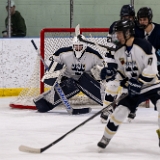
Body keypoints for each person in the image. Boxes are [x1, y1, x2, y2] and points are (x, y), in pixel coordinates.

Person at [97, 19, 160, 149]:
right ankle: (106, 138)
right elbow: (122, 72)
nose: (117, 36)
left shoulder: (144, 46)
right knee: (118, 113)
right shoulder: (120, 51)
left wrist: (140, 81)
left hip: (152, 85)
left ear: (128, 33)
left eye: (119, 33)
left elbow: (152, 69)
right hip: (133, 89)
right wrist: (112, 72)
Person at [33, 35, 105, 114]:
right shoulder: (63, 53)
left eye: (80, 46)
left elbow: (104, 70)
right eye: (76, 46)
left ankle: (109, 102)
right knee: (43, 106)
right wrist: (53, 74)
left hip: (87, 81)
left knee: (106, 98)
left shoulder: (94, 55)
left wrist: (99, 75)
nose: (78, 48)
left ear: (85, 46)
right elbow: (50, 65)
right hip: (69, 81)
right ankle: (45, 102)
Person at [136, 7, 160, 73]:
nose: (142, 22)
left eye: (144, 19)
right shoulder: (137, 32)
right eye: (140, 20)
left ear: (150, 20)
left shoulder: (158, 31)